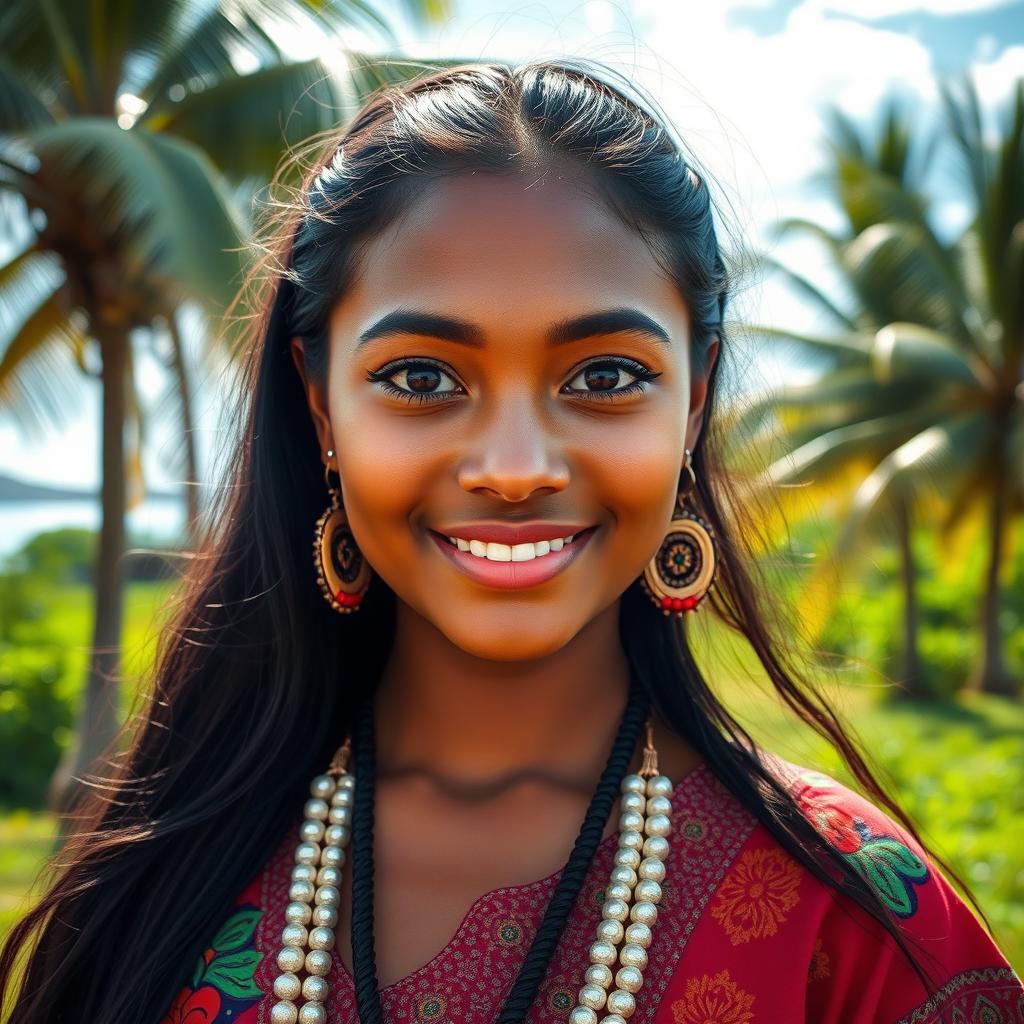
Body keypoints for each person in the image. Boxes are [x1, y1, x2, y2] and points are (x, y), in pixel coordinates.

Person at [1, 59, 1020, 1024]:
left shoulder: (852, 922)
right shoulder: (162, 874)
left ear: (694, 400)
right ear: (321, 409)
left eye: (606, 377)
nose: (516, 465)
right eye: (421, 378)